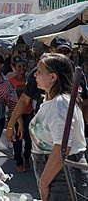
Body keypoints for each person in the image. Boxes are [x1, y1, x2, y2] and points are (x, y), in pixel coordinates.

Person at [6, 36, 88, 143]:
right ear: (51, 51)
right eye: (59, 51)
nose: (62, 55)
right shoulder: (40, 72)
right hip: (45, 127)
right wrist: (11, 125)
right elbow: (24, 99)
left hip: (69, 128)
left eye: (66, 51)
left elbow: (85, 102)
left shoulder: (77, 74)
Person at [29, 53, 88, 201]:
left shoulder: (60, 103)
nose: (35, 74)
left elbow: (62, 147)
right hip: (54, 170)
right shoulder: (51, 102)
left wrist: (43, 183)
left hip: (62, 173)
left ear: (53, 77)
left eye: (40, 71)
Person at [8, 58, 33, 172]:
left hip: (28, 113)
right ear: (14, 68)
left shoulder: (30, 81)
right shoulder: (10, 81)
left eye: (24, 66)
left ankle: (27, 157)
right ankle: (19, 161)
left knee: (28, 139)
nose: (22, 69)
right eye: (19, 66)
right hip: (15, 113)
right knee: (16, 139)